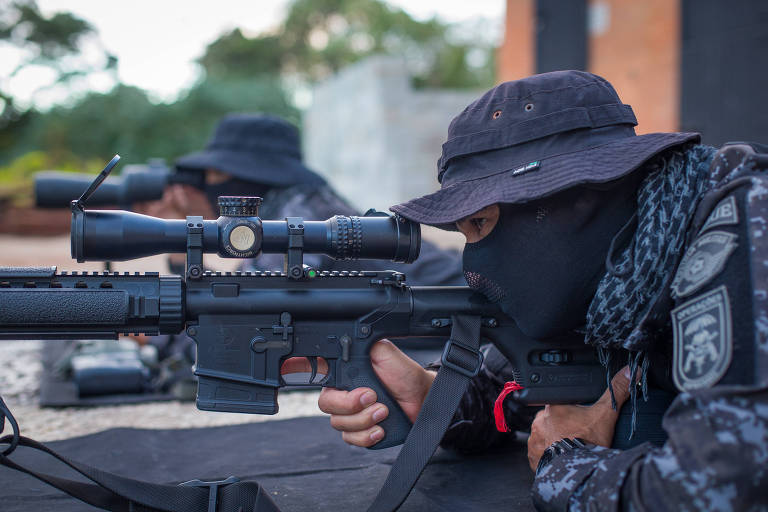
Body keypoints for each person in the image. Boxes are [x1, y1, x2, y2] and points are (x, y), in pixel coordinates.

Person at [314, 70, 768, 509]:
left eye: (482, 223)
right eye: (464, 231)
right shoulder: (622, 265)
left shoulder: (744, 230)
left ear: (578, 204)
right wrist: (432, 396)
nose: (474, 263)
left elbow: (720, 489)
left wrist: (563, 462)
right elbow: (511, 385)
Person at [139, 113, 464, 286]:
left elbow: (249, 305)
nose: (206, 188)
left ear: (250, 177)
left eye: (214, 176)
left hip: (457, 293)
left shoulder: (299, 213)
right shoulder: (285, 208)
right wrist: (185, 244)